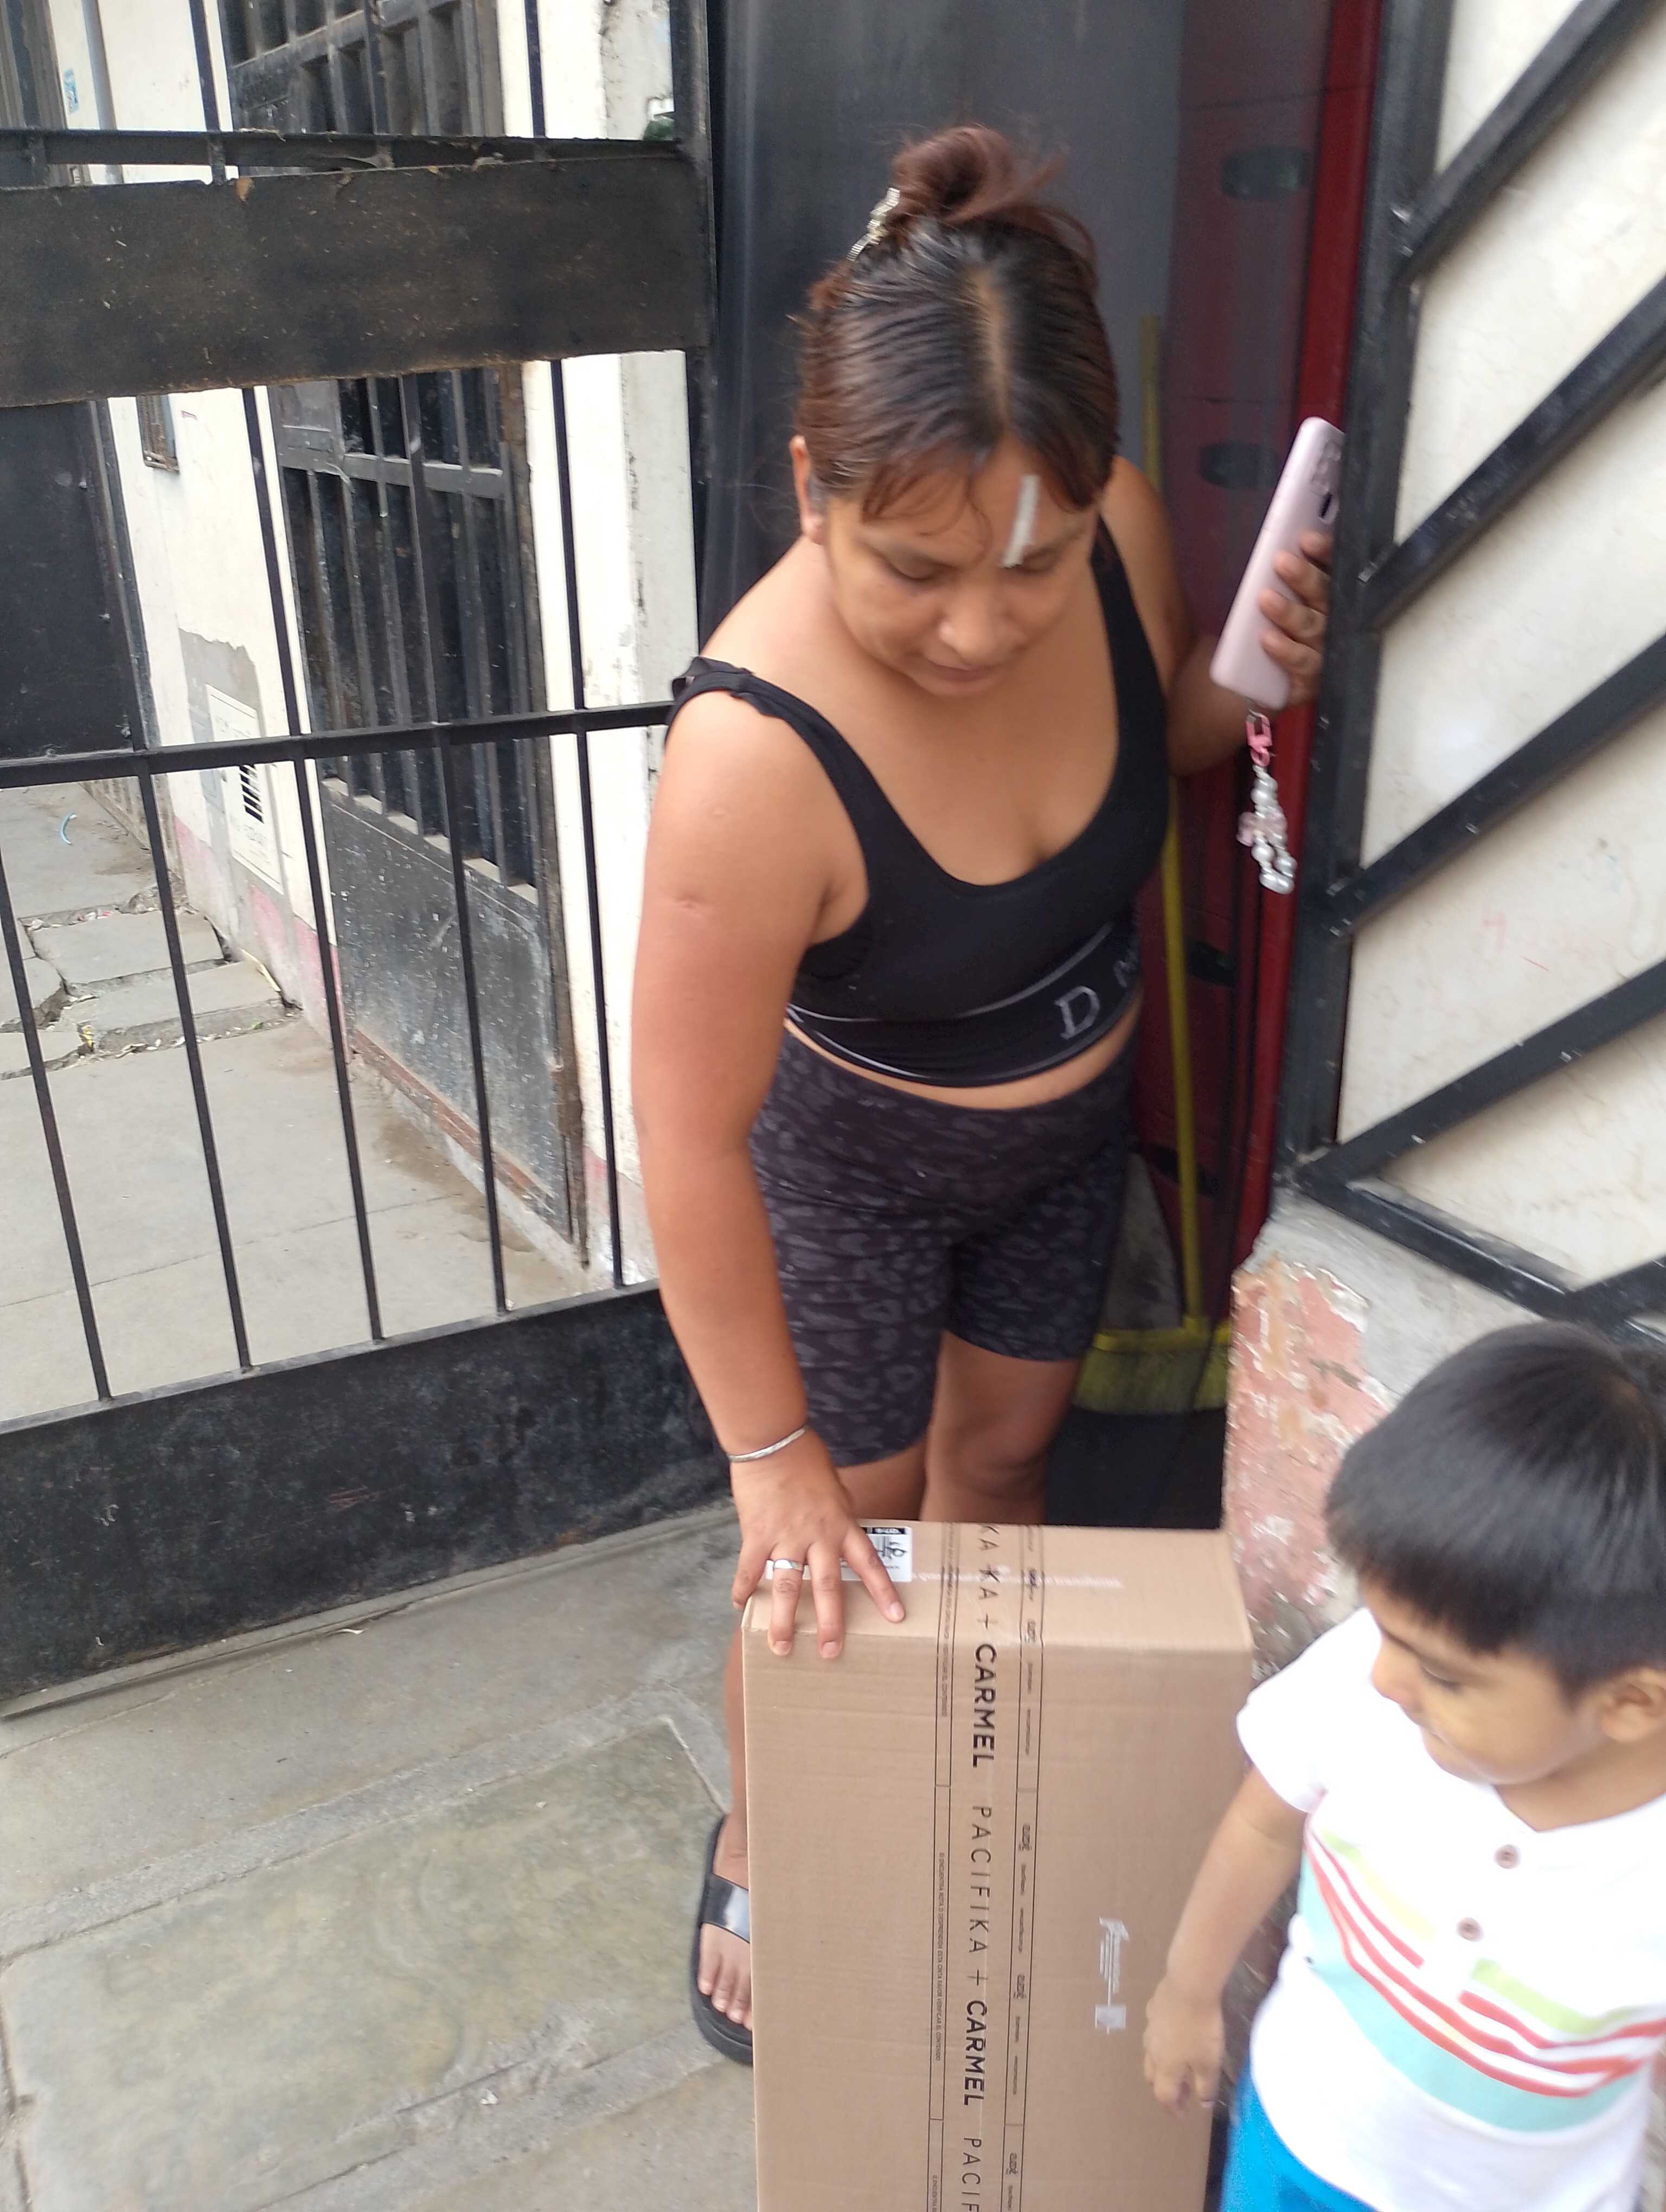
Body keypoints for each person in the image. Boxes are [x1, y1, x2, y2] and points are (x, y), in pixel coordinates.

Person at [632, 124, 1332, 2062]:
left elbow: (1156, 742)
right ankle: (767, 1838)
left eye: (1033, 564)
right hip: (850, 1173)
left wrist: (1239, 681)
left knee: (1007, 1478)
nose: (977, 624)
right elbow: (685, 1135)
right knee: (832, 1551)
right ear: (813, 488)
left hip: (1065, 1147)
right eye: (914, 569)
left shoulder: (1108, 529)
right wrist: (766, 1454)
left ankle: (958, 1765)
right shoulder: (751, 754)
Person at [1145, 1323, 1666, 2211]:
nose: (1385, 1680)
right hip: (1297, 2142)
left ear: (1630, 1705)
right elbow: (1263, 1824)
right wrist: (1187, 1993)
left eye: (1445, 1676)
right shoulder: (1365, 1679)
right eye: (1383, 1629)